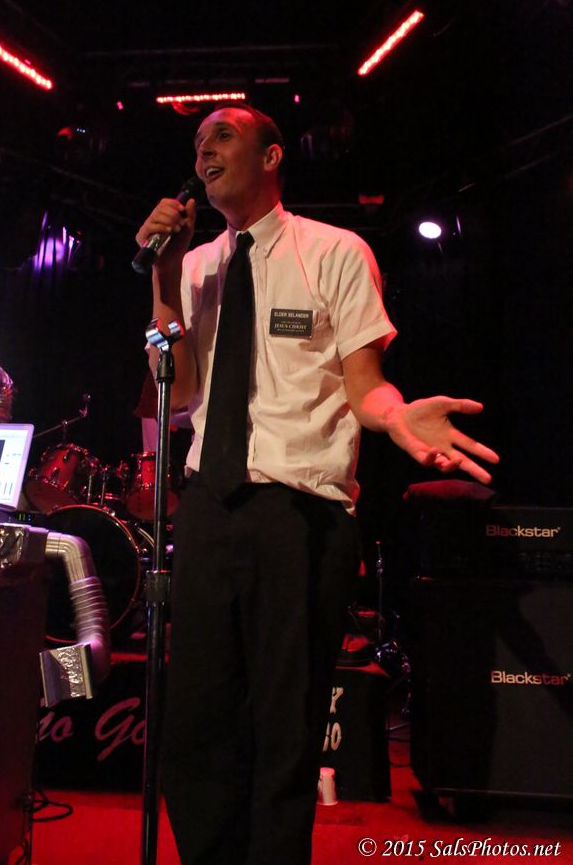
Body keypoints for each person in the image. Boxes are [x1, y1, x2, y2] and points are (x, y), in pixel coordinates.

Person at [135, 103, 499, 865]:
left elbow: (365, 384)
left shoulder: (334, 251)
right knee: (196, 727)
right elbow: (181, 385)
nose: (204, 151)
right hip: (208, 508)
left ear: (271, 157)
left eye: (223, 136)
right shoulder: (196, 266)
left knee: (284, 730)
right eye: (197, 142)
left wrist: (398, 418)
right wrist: (164, 282)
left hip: (299, 515)